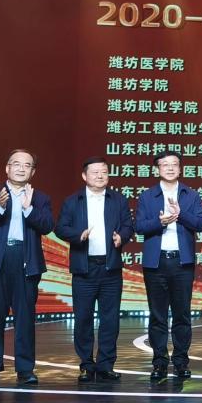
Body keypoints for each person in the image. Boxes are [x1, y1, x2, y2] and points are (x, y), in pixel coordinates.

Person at [56, 157, 134, 382]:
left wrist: (122, 237)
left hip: (110, 268)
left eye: (104, 172)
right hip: (84, 268)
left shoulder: (118, 199)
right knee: (83, 319)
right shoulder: (73, 201)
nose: (100, 176)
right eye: (95, 172)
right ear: (84, 176)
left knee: (110, 320)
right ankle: (86, 365)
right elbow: (60, 227)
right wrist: (77, 235)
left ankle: (106, 365)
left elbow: (128, 225)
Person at [135, 150, 202, 380]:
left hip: (182, 262)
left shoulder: (190, 195)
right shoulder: (147, 196)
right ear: (157, 169)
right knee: (157, 316)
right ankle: (159, 363)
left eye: (174, 164)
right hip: (155, 263)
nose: (170, 168)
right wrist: (160, 222)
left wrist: (180, 215)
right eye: (165, 164)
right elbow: (139, 226)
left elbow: (201, 223)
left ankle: (181, 362)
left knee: (182, 315)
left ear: (180, 168)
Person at [0, 149, 54, 386]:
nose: (21, 168)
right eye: (16, 164)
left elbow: (47, 226)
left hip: (26, 262)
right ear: (7, 168)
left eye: (26, 165)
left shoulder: (40, 198)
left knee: (25, 319)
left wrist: (29, 208)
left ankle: (25, 369)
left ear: (33, 172)